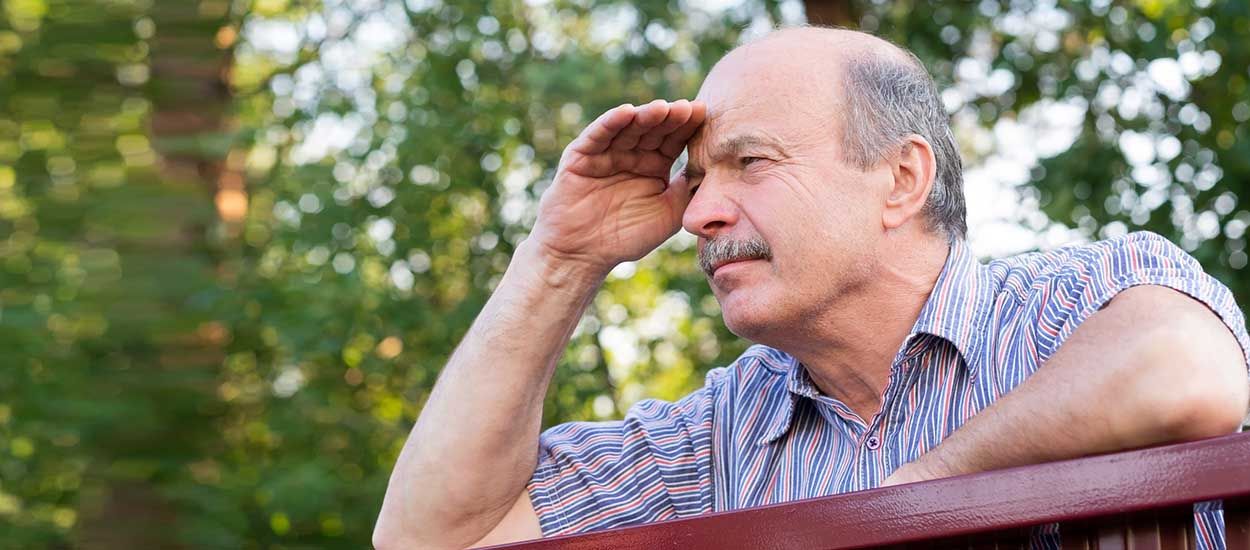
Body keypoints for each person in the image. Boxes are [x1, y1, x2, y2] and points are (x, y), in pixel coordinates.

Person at [373, 26, 1250, 549]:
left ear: (901, 180)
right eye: (697, 177)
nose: (698, 213)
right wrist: (561, 259)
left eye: (748, 163)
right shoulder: (718, 432)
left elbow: (1185, 375)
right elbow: (433, 537)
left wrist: (919, 496)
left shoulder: (1081, 297)